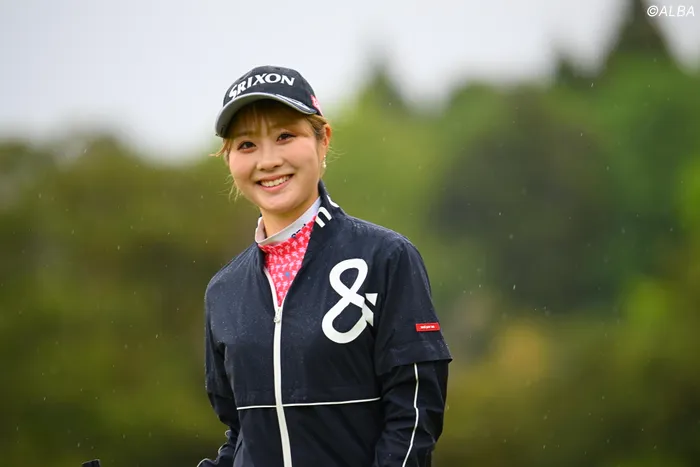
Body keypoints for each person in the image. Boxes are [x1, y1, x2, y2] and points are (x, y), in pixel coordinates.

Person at [198, 65, 452, 467]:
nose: (268, 160)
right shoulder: (223, 290)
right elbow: (240, 433)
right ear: (229, 158)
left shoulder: (387, 257)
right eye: (246, 144)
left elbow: (414, 413)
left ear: (323, 140)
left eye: (285, 136)